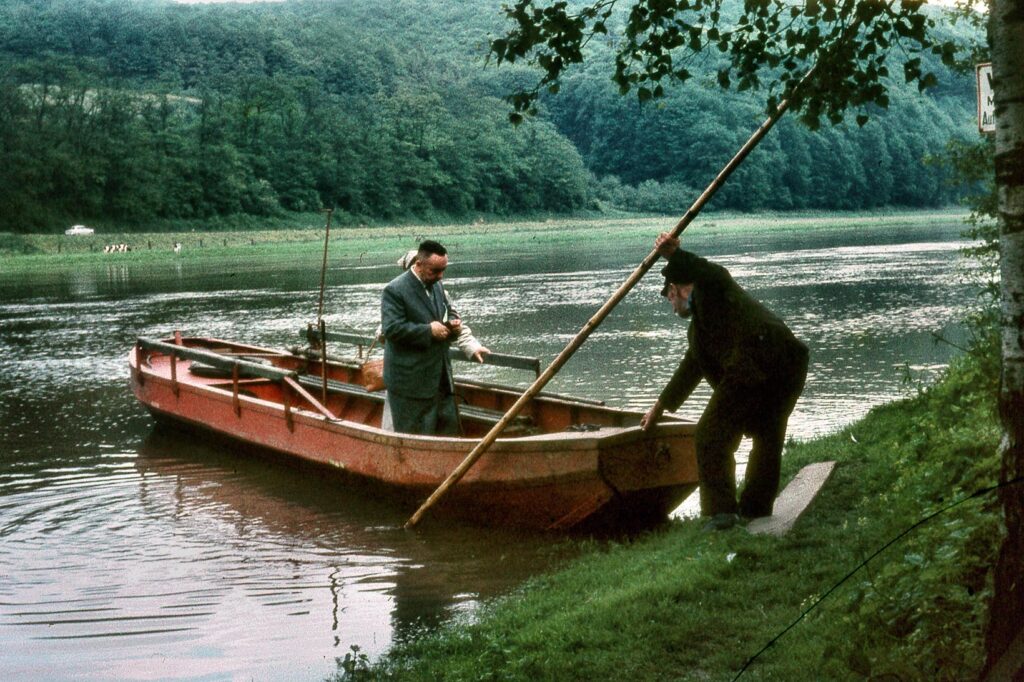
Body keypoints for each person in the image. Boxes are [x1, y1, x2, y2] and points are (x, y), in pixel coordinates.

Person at [641, 232, 808, 531]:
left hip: (769, 361)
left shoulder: (712, 287)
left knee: (710, 434)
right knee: (767, 436)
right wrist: (659, 407)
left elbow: (710, 271)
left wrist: (674, 255)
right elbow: (689, 369)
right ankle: (755, 509)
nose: (671, 308)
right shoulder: (700, 328)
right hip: (783, 363)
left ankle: (721, 514)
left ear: (676, 290)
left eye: (669, 300)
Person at [380, 240, 489, 435]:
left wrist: (453, 326)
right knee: (415, 437)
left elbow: (448, 314)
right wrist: (428, 331)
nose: (440, 276)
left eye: (443, 270)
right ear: (419, 265)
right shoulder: (394, 290)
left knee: (448, 432)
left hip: (440, 378)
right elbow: (391, 329)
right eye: (435, 271)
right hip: (410, 384)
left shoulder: (437, 285)